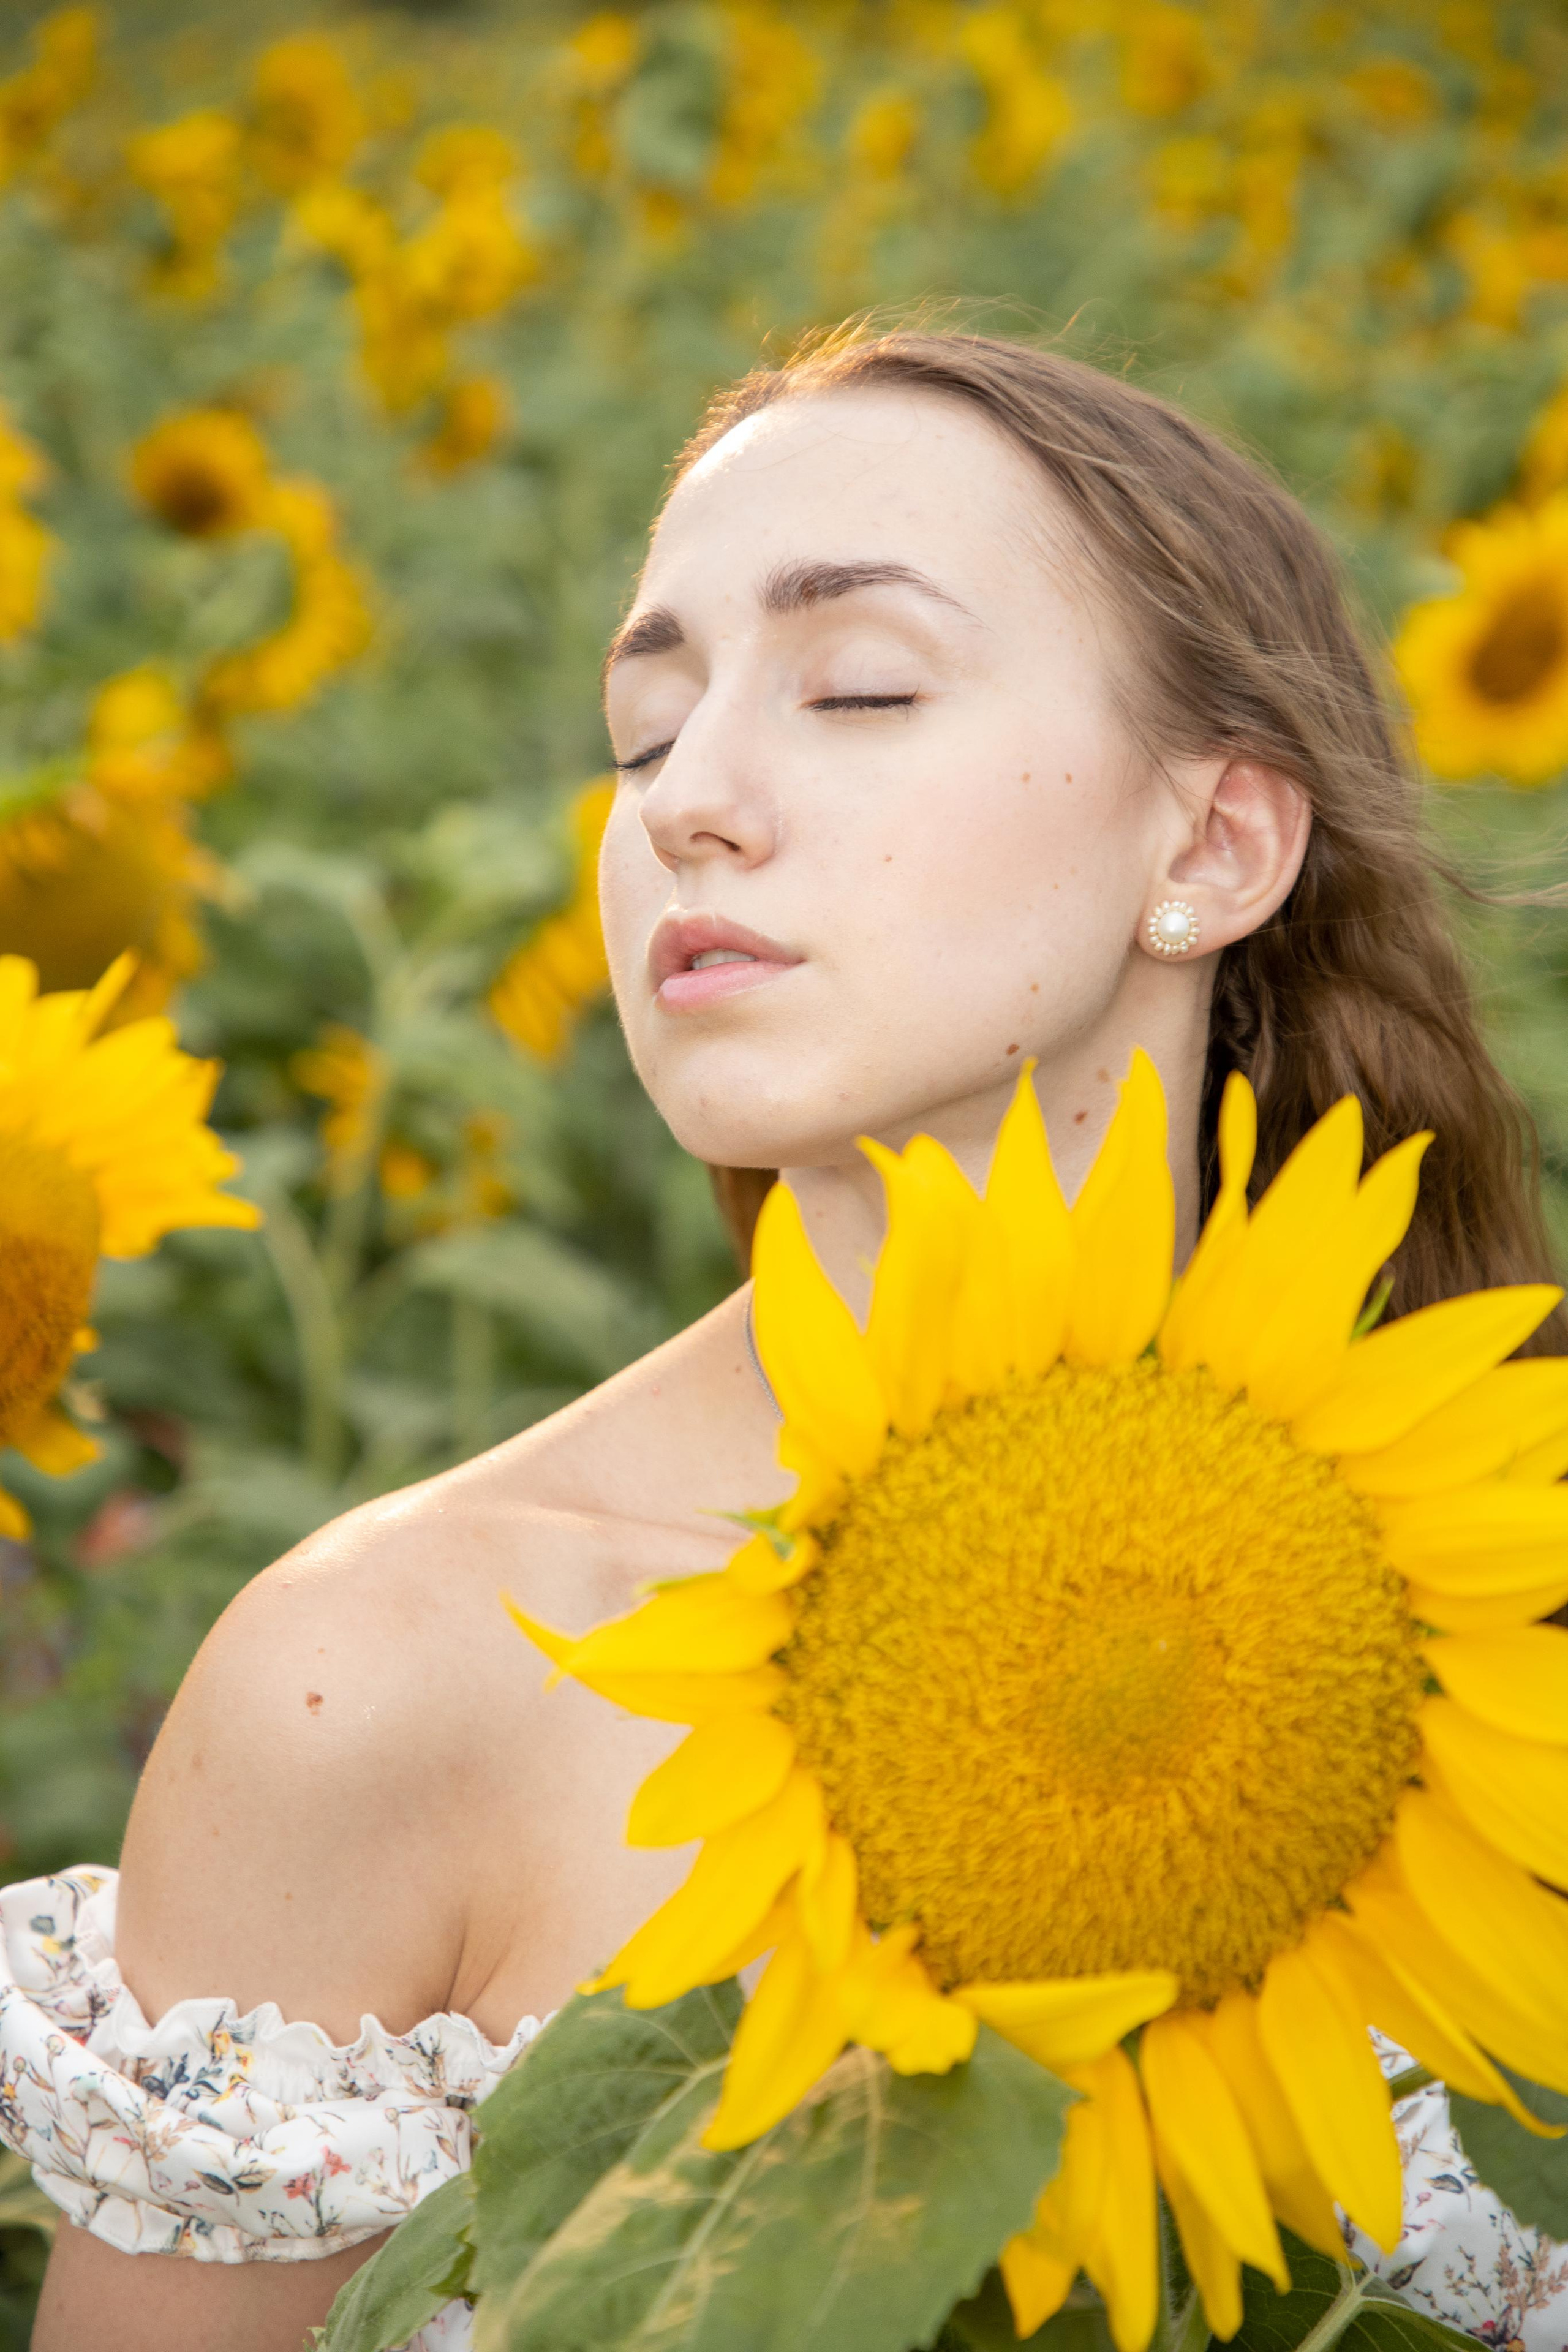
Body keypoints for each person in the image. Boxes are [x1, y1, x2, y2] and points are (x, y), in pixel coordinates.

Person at [9, 328, 1567, 2351]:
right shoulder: (380, 1682)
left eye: (858, 689)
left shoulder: (1494, 1601)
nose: (691, 805)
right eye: (643, 732)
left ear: (1213, 847)